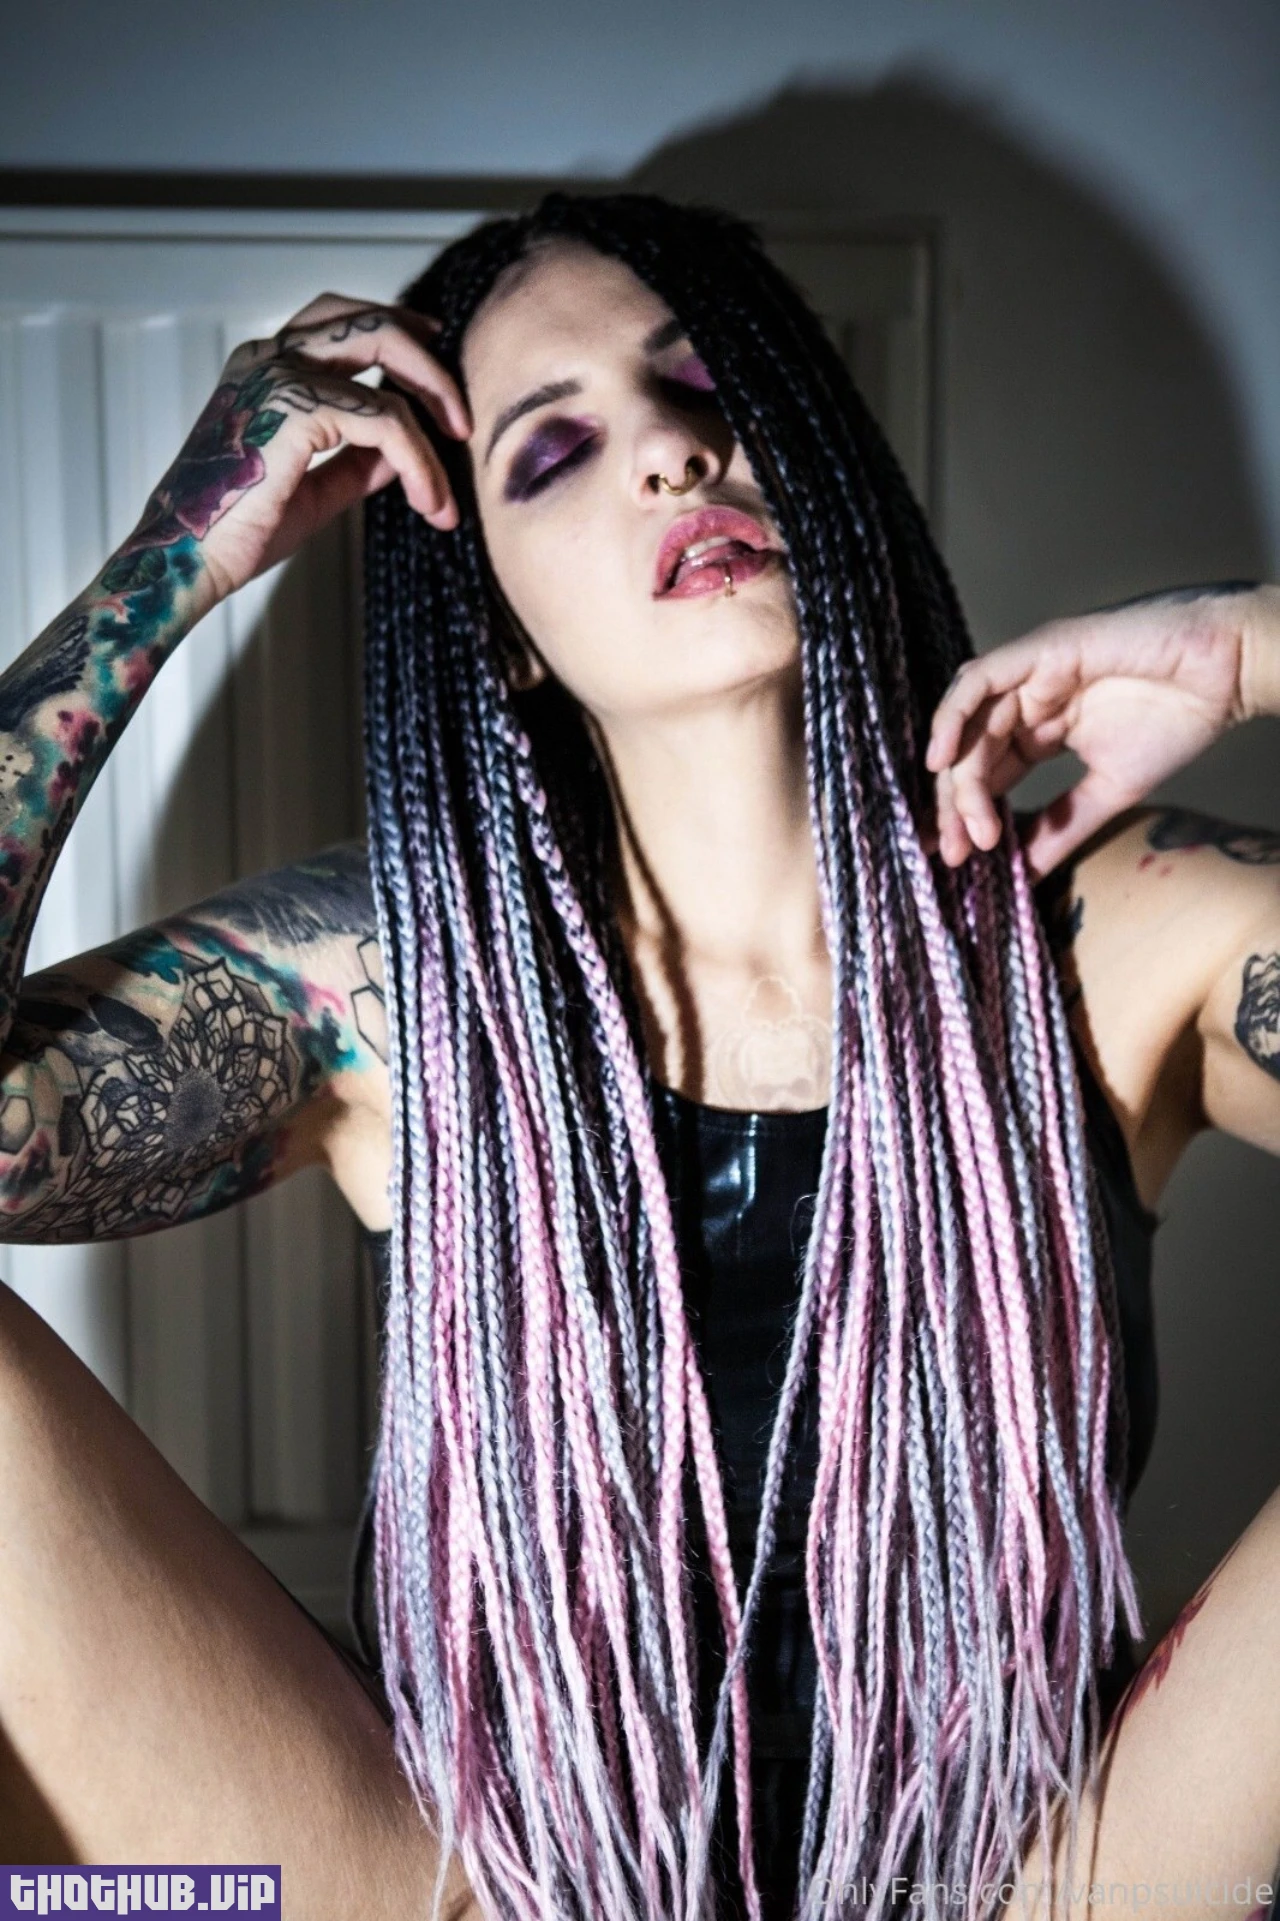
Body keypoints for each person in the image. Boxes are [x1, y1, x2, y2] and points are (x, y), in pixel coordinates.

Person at [0, 190, 1276, 1921]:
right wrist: (175, 559)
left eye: (703, 386)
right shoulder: (385, 987)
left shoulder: (1124, 932)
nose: (673, 452)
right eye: (553, 452)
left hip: (1034, 1884)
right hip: (484, 1894)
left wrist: (1248, 647)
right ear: (503, 627)